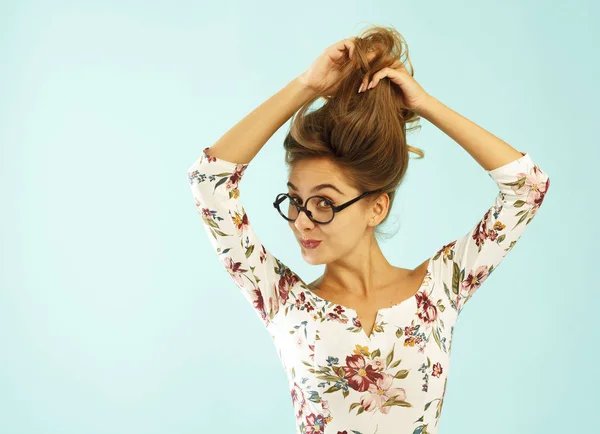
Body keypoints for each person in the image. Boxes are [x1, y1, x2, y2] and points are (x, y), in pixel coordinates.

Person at [187, 24, 550, 434]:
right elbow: (209, 181)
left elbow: (527, 187)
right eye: (295, 200)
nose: (302, 220)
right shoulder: (283, 301)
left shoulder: (441, 288)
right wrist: (306, 86)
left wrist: (426, 105)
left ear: (376, 207)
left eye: (324, 202)